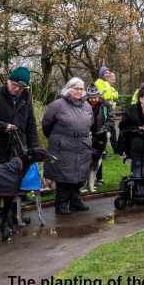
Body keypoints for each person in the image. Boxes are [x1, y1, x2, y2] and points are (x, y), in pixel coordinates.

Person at [42, 78, 93, 214]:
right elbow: (46, 125)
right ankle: (62, 203)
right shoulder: (57, 105)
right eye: (76, 88)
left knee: (79, 175)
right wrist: (59, 139)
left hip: (82, 145)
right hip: (63, 146)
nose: (79, 91)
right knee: (64, 176)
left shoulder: (87, 106)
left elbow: (90, 123)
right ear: (69, 88)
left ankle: (76, 200)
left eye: (82, 89)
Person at [0, 66, 39, 166]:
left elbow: (31, 124)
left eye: (21, 87)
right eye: (14, 84)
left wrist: (34, 148)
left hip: (17, 151)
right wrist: (3, 126)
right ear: (8, 81)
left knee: (15, 181)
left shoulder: (27, 98)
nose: (17, 89)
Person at [86, 86, 115, 190]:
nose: (93, 100)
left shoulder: (106, 105)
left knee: (98, 158)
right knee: (87, 158)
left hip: (101, 133)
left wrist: (103, 129)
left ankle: (98, 179)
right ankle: (86, 182)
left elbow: (111, 119)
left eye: (95, 97)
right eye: (91, 98)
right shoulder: (84, 104)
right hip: (87, 134)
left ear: (99, 96)